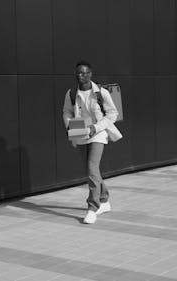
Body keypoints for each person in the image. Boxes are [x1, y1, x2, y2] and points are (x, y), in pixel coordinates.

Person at [62, 60, 119, 224]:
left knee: (92, 168)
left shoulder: (101, 92)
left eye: (84, 72)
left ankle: (92, 207)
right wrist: (69, 126)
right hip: (79, 132)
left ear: (90, 74)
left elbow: (112, 114)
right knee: (91, 170)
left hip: (98, 133)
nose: (81, 75)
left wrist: (96, 127)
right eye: (78, 73)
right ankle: (104, 199)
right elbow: (66, 111)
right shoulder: (71, 93)